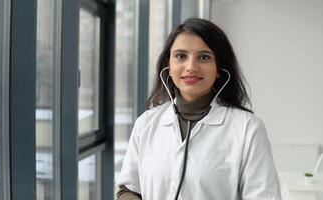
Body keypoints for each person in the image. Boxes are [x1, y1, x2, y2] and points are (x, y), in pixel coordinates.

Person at [116, 17, 281, 200]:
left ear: (219, 68)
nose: (191, 67)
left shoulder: (248, 129)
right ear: (168, 66)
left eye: (204, 57)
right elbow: (129, 188)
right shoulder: (146, 123)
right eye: (180, 56)